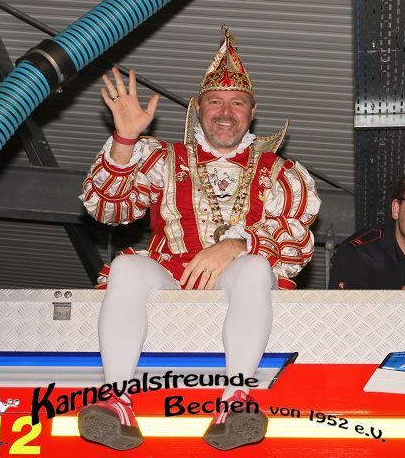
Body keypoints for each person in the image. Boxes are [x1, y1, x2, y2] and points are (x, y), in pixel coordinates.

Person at [79, 26, 321, 451]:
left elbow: (296, 240)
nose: (225, 112)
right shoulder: (162, 157)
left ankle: (236, 400)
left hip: (242, 274)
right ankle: (117, 400)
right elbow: (106, 209)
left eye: (237, 102)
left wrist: (236, 244)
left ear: (252, 111)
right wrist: (125, 139)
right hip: (172, 271)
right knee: (126, 267)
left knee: (254, 267)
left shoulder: (280, 172)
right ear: (197, 108)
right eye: (215, 101)